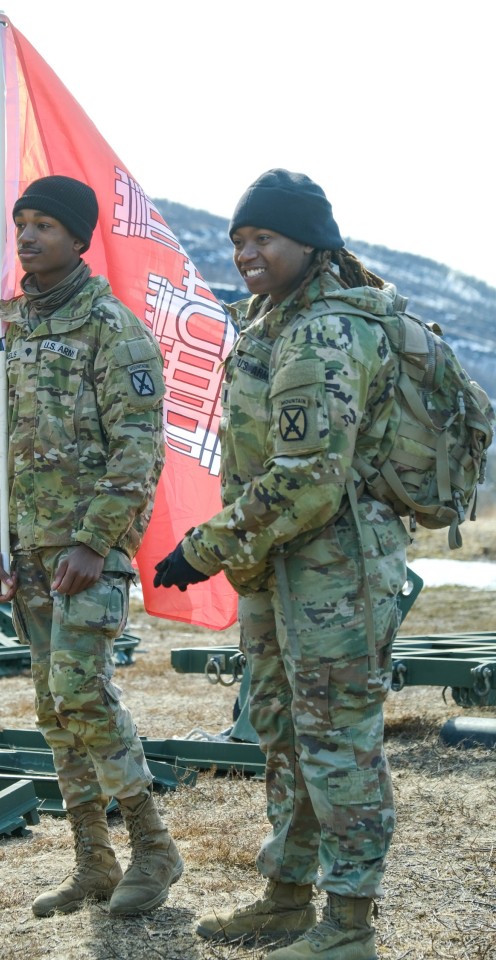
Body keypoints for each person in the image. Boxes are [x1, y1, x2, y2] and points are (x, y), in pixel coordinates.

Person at [154, 169, 411, 960]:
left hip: (337, 571)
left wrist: (205, 547)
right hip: (279, 566)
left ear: (310, 242)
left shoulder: (325, 331)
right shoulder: (272, 322)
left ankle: (349, 923)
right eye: (238, 239)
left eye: (263, 237)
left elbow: (308, 479)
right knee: (282, 732)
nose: (246, 253)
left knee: (336, 740)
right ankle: (288, 896)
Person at [0, 175, 182, 919]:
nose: (28, 236)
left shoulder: (111, 329)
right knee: (53, 708)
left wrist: (96, 541)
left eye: (45, 225)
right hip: (28, 555)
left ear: (78, 238)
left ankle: (153, 847)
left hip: (89, 554)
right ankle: (93, 859)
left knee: (82, 693)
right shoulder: (12, 335)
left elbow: (139, 448)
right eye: (22, 223)